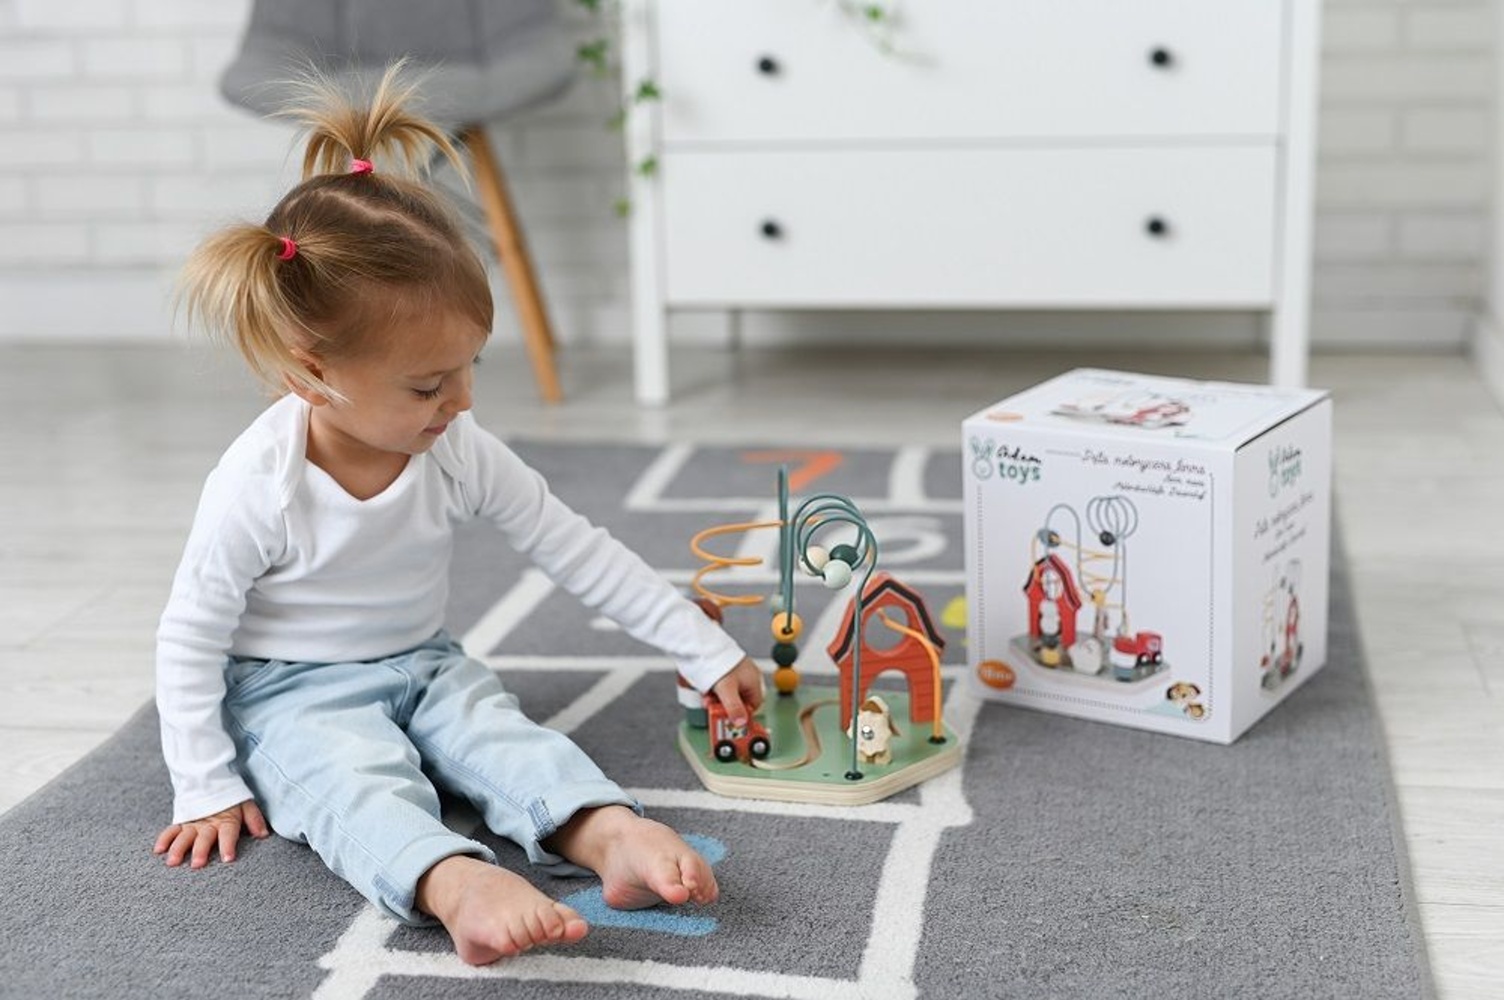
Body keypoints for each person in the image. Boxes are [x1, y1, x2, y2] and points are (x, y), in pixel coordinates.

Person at [151, 65, 764, 966]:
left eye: (471, 366)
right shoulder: (259, 483)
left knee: (506, 739)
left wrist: (700, 647)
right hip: (287, 689)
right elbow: (189, 636)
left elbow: (575, 548)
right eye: (429, 384)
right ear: (310, 373)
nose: (463, 400)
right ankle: (453, 882)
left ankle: (606, 834)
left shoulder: (455, 445)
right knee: (348, 780)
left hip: (426, 662)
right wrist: (204, 780)